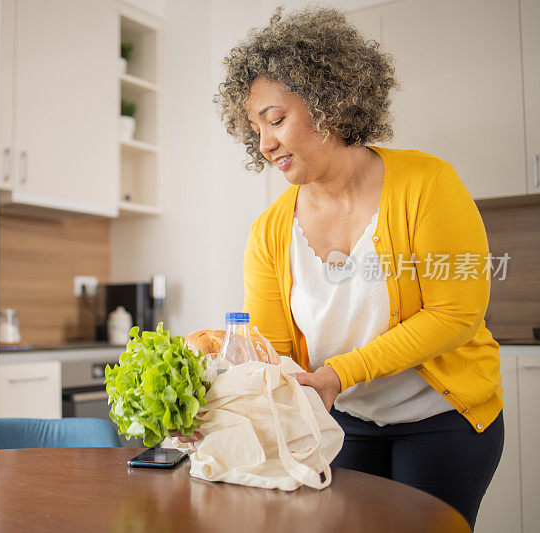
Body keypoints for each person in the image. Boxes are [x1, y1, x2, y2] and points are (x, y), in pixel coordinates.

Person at [214, 7, 504, 530]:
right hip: (342, 423)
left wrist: (340, 373)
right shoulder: (269, 232)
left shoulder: (428, 184)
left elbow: (455, 313)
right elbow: (274, 352)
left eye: (276, 120)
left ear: (328, 101)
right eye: (255, 128)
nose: (264, 144)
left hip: (442, 420)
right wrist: (214, 365)